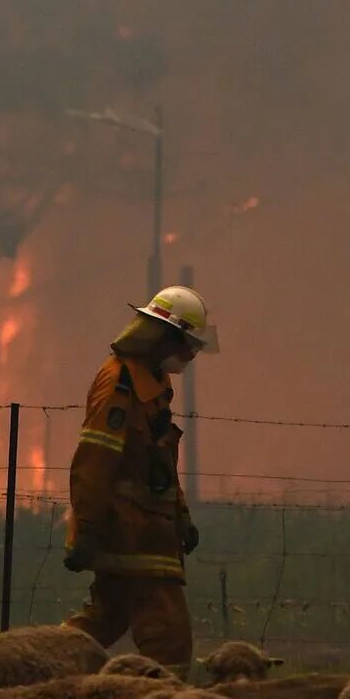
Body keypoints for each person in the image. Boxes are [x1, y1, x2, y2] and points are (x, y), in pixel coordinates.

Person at [63, 285, 219, 672]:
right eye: (186, 344)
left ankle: (38, 667)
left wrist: (181, 515)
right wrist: (87, 528)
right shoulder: (120, 383)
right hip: (129, 534)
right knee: (169, 638)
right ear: (163, 336)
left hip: (147, 532)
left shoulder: (153, 383)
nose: (190, 355)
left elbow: (159, 461)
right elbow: (95, 459)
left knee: (103, 620)